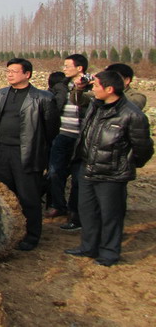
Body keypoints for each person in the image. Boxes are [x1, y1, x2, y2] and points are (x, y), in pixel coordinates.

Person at [65, 70, 153, 266]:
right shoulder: (96, 106)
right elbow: (79, 103)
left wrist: (124, 163)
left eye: (96, 86)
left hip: (112, 174)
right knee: (87, 211)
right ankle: (88, 247)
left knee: (110, 215)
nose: (93, 89)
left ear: (110, 89)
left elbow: (144, 148)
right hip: (88, 168)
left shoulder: (132, 115)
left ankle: (109, 253)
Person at [0, 58, 60, 251]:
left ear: (27, 74)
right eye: (8, 71)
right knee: (5, 195)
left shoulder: (43, 98)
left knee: (29, 196)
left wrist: (38, 148)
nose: (10, 75)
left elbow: (51, 129)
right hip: (2, 152)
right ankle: (8, 231)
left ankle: (31, 235)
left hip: (27, 153)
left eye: (14, 71)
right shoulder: (1, 94)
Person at [47, 54, 93, 229]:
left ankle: (75, 214)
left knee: (78, 178)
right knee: (54, 172)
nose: (64, 69)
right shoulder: (61, 87)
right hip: (62, 135)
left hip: (82, 139)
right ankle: (58, 205)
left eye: (67, 66)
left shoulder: (92, 87)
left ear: (79, 68)